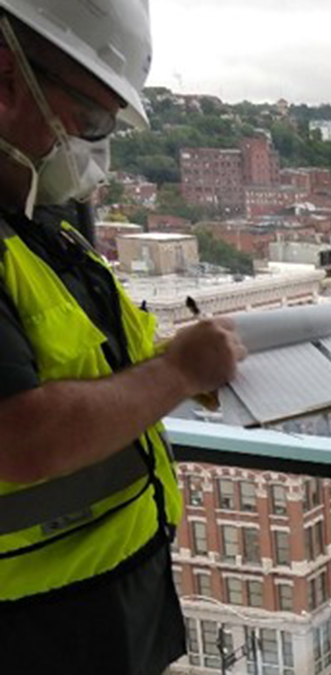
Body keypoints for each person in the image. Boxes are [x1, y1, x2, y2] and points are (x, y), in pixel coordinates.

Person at [0, 2, 246, 672]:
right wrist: (177, 374)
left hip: (101, 618)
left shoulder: (40, 220)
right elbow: (19, 437)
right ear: (7, 77)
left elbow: (81, 363)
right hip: (32, 634)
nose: (96, 153)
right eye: (93, 119)